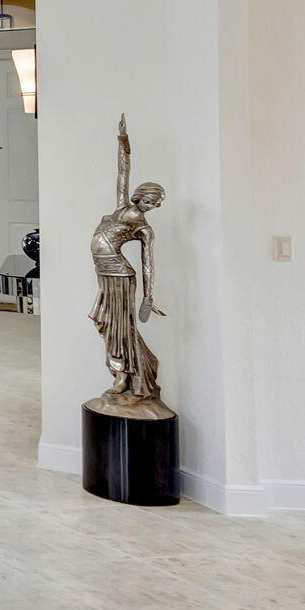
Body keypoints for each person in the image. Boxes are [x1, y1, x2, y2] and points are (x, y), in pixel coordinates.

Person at [88, 116, 168, 413]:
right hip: (104, 273)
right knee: (109, 325)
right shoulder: (122, 206)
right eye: (150, 201)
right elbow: (123, 172)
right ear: (140, 196)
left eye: (155, 205)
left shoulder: (144, 228)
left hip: (121, 276)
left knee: (120, 326)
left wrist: (149, 297)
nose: (151, 207)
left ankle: (125, 377)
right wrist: (124, 144)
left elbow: (148, 262)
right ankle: (120, 373)